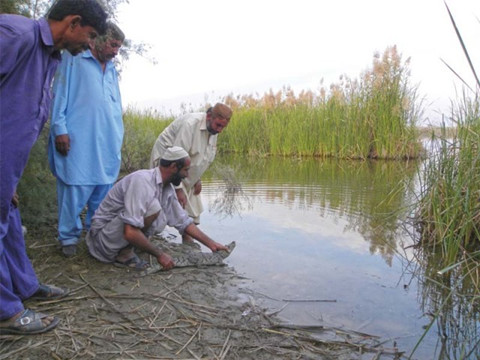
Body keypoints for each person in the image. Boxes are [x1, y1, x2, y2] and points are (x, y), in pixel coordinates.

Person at [0, 0, 107, 335]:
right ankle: (5, 313)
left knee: (11, 226)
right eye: (89, 36)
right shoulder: (17, 35)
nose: (89, 45)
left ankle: (24, 287)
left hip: (7, 167)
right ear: (73, 22)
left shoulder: (49, 57)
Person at [48, 22, 125, 258]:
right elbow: (58, 94)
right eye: (113, 45)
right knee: (74, 186)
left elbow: (114, 105)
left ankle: (96, 231)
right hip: (78, 138)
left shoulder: (111, 69)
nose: (115, 52)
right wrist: (59, 128)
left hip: (107, 140)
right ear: (96, 39)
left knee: (103, 190)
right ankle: (68, 237)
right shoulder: (74, 58)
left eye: (119, 48)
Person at [86, 147, 230, 270]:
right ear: (174, 167)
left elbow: (183, 222)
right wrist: (160, 255)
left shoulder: (167, 188)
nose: (187, 175)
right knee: (154, 208)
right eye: (185, 170)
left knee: (159, 212)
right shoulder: (142, 181)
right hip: (102, 242)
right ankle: (124, 254)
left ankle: (128, 248)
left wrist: (211, 244)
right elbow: (130, 232)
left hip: (116, 236)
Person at [149, 103, 232, 245]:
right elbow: (176, 157)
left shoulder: (213, 131)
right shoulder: (190, 124)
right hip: (167, 162)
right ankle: (145, 237)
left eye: (223, 127)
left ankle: (188, 240)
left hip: (185, 167)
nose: (220, 130)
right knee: (162, 201)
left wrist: (197, 179)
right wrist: (178, 188)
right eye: (218, 125)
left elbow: (202, 157)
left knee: (193, 197)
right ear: (209, 116)